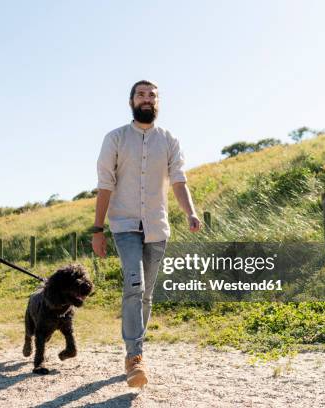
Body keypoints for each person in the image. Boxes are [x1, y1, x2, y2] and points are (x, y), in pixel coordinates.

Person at [92, 80, 200, 388]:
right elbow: (105, 184)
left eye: (152, 95)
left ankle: (134, 351)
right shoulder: (115, 139)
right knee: (134, 284)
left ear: (158, 103)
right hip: (124, 225)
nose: (147, 99)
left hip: (157, 225)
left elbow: (179, 180)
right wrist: (97, 229)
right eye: (141, 94)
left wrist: (190, 212)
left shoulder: (168, 140)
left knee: (147, 294)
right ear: (131, 102)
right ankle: (134, 357)